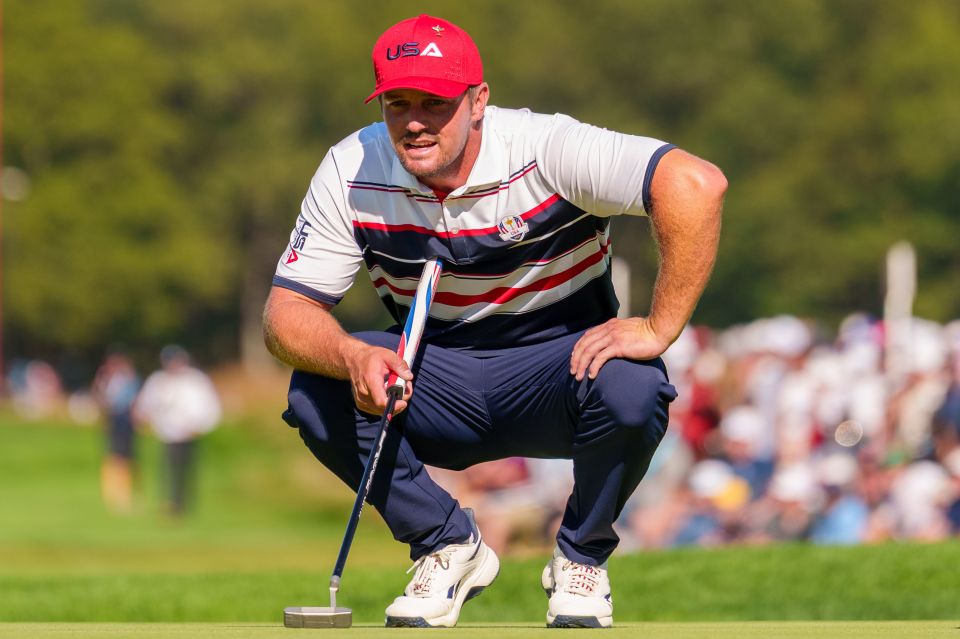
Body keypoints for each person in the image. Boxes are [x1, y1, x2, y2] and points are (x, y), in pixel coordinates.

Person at [263, 14, 725, 628]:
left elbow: (696, 184)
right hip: (434, 375)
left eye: (436, 102)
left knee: (634, 382)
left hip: (559, 368)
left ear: (479, 102)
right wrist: (352, 357)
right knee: (316, 386)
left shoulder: (545, 148)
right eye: (398, 104)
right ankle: (446, 543)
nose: (416, 121)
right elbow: (285, 314)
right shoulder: (353, 167)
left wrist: (658, 328)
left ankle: (581, 558)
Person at [134, 345, 221, 517]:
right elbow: (146, 404)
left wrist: (199, 427)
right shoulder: (158, 381)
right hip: (167, 435)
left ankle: (183, 505)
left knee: (186, 471)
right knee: (168, 471)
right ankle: (171, 504)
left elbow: (210, 408)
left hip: (189, 434)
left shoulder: (196, 381)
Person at [92, 350, 141, 513]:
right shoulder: (107, 380)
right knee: (113, 457)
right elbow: (100, 398)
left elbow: (134, 400)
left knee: (126, 458)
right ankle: (113, 494)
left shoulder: (129, 380)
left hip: (125, 420)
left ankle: (126, 494)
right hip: (113, 419)